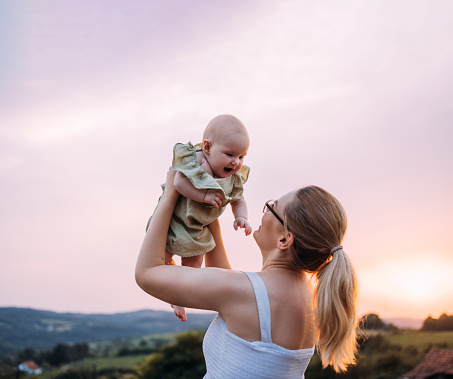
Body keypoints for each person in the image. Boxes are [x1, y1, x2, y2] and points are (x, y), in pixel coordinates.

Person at [136, 168, 358, 377]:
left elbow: (147, 273)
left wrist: (171, 194)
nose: (264, 213)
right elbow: (227, 285)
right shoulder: (310, 299)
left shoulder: (244, 292)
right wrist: (209, 212)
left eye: (272, 207)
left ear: (284, 239)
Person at [146, 114, 252, 321]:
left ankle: (179, 297)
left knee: (193, 268)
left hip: (197, 229)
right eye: (230, 154)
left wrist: (242, 217)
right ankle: (171, 292)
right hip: (175, 222)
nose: (236, 162)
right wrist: (203, 195)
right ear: (207, 147)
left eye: (241, 156)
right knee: (163, 260)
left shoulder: (233, 177)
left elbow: (238, 199)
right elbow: (178, 183)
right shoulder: (196, 162)